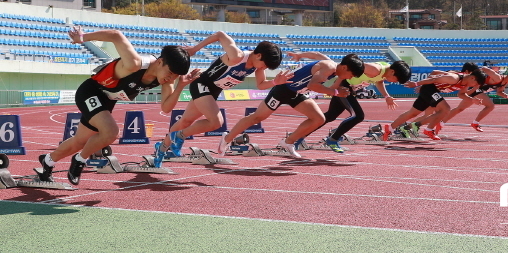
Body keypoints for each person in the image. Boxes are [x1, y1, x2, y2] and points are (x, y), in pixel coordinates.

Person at [38, 27, 197, 184]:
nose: (170, 79)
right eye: (170, 73)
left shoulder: (167, 80)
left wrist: (181, 86)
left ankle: (48, 161)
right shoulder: (135, 64)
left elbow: (166, 108)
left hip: (107, 99)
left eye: (175, 77)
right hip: (91, 92)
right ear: (160, 62)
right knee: (111, 132)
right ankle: (79, 160)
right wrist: (82, 37)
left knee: (80, 141)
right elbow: (116, 35)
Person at [154, 31, 290, 167]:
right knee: (216, 122)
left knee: (186, 121)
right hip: (202, 85)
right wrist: (195, 49)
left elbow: (261, 85)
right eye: (265, 65)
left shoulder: (256, 68)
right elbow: (220, 34)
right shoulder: (237, 56)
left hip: (213, 91)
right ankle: (178, 136)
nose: (264, 68)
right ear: (259, 55)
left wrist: (275, 82)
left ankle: (162, 147)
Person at [219, 52, 365, 158]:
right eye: (351, 75)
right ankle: (227, 138)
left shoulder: (330, 63)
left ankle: (288, 142)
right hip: (283, 90)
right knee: (257, 117)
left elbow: (316, 55)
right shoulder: (328, 68)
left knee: (318, 119)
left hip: (296, 93)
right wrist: (336, 92)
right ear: (345, 68)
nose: (350, 78)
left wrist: (299, 55)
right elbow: (313, 85)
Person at [293, 54, 412, 153]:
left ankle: (299, 137)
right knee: (358, 116)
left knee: (330, 115)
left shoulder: (385, 70)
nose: (395, 82)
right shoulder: (374, 69)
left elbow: (379, 81)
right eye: (396, 79)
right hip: (344, 86)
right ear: (392, 72)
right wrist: (336, 87)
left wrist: (386, 96)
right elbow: (353, 66)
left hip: (347, 88)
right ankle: (332, 140)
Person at [391, 69, 486, 140]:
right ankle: (427, 129)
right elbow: (434, 77)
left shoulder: (465, 84)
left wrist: (472, 99)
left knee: (413, 113)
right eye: (476, 84)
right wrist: (417, 84)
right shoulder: (454, 78)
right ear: (472, 78)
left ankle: (392, 129)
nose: (475, 87)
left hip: (432, 91)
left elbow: (461, 94)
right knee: (445, 109)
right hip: (429, 89)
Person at [438, 67, 508, 132]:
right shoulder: (498, 77)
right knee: (490, 106)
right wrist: (490, 70)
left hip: (476, 91)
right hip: (476, 89)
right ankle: (475, 123)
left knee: (459, 109)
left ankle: (440, 123)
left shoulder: (504, 83)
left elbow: (499, 92)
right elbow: (484, 68)